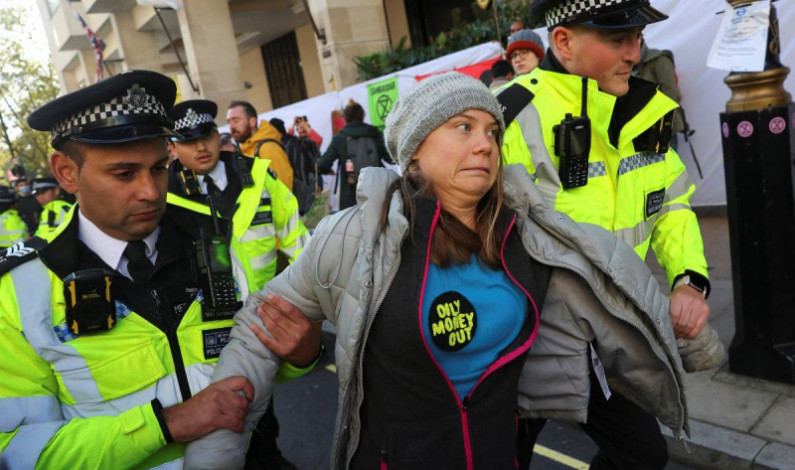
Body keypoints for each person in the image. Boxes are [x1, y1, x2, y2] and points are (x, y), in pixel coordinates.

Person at [184, 72, 690, 470]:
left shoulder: (530, 235)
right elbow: (257, 328)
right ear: (416, 150)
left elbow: (619, 296)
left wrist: (690, 318)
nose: (486, 144)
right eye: (463, 128)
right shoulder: (354, 236)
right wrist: (215, 455)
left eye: (492, 131)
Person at [0, 70, 318, 470]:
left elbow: (249, 353)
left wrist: (300, 356)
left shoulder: (210, 235)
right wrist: (164, 425)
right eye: (124, 173)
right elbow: (18, 450)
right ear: (66, 172)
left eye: (157, 168)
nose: (151, 192)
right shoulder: (21, 290)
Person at [496, 1, 719, 468]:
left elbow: (672, 203)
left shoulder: (649, 109)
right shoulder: (512, 115)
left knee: (641, 454)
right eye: (618, 39)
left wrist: (689, 279)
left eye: (637, 38)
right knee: (500, 458)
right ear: (563, 42)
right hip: (523, 336)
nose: (634, 53)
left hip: (608, 332)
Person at [167, 99, 315, 470]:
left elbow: (300, 245)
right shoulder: (160, 194)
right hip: (200, 337)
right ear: (172, 147)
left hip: (264, 322)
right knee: (218, 428)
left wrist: (314, 303)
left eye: (206, 136)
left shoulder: (259, 177)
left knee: (262, 422)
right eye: (188, 141)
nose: (200, 147)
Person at [317, 99, 391, 211]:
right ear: (362, 116)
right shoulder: (375, 134)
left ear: (345, 119)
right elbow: (391, 158)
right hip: (379, 192)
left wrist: (326, 170)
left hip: (352, 197)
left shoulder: (340, 138)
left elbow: (322, 164)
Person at [226, 100, 294, 191]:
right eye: (229, 122)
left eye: (236, 121)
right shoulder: (244, 150)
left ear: (252, 122)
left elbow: (285, 190)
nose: (231, 126)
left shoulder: (267, 148)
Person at [633, 40, 685, 151]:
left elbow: (670, 94)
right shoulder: (627, 65)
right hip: (639, 132)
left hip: (662, 129)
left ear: (639, 40)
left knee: (667, 166)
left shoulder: (659, 60)